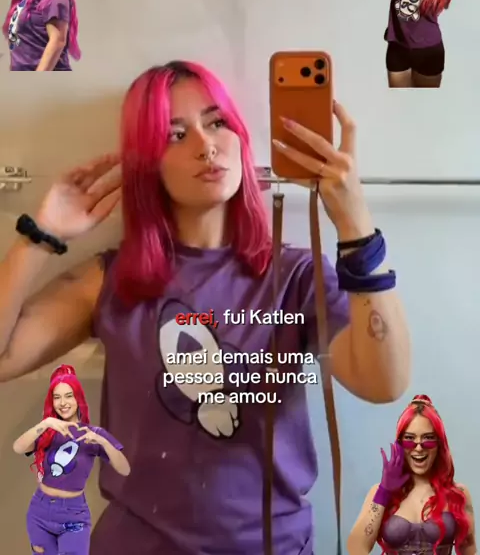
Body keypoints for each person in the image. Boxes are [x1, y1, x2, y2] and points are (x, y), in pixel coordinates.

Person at [0, 60, 411, 554]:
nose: (206, 145)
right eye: (175, 135)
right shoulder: (112, 279)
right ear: (148, 163)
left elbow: (384, 383)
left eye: (217, 123)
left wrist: (354, 224)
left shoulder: (297, 277)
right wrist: (38, 238)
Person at [12, 364, 130, 555]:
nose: (63, 402)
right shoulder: (48, 432)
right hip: (40, 511)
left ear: (78, 398)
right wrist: (46, 423)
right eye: (57, 397)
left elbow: (124, 469)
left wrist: (103, 442)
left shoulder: (93, 434)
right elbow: (18, 447)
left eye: (68, 396)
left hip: (74, 515)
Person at [347, 394, 476, 555]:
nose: (419, 448)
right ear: (400, 444)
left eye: (428, 438)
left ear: (439, 444)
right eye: (410, 439)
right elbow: (356, 548)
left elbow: (469, 551)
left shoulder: (458, 494)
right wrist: (384, 492)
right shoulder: (379, 493)